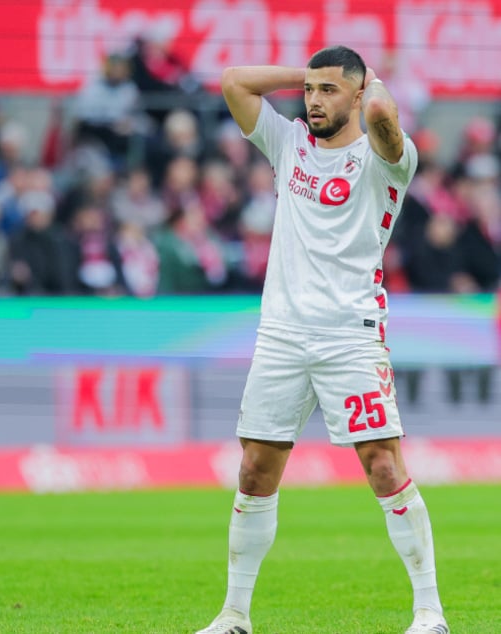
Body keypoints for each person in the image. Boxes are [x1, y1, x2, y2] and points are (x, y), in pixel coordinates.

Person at [196, 47, 448, 634]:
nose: (314, 100)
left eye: (330, 91)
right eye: (310, 91)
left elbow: (384, 118)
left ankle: (429, 611)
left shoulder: (388, 161)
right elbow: (234, 82)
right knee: (255, 471)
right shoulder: (287, 145)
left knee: (383, 465)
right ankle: (234, 614)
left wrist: (369, 85)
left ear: (359, 96)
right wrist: (308, 75)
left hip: (350, 336)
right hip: (282, 334)